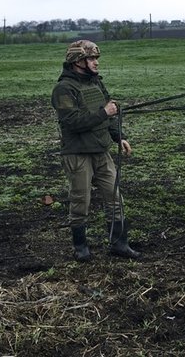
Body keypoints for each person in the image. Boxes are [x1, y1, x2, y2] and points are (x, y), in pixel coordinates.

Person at [51, 40, 140, 261]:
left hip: (101, 150)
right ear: (77, 61)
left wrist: (119, 137)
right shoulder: (64, 88)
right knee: (81, 201)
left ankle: (119, 244)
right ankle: (80, 248)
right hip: (77, 153)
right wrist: (104, 112)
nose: (96, 63)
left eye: (96, 58)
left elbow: (109, 113)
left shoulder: (96, 83)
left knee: (114, 197)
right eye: (91, 59)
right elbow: (72, 121)